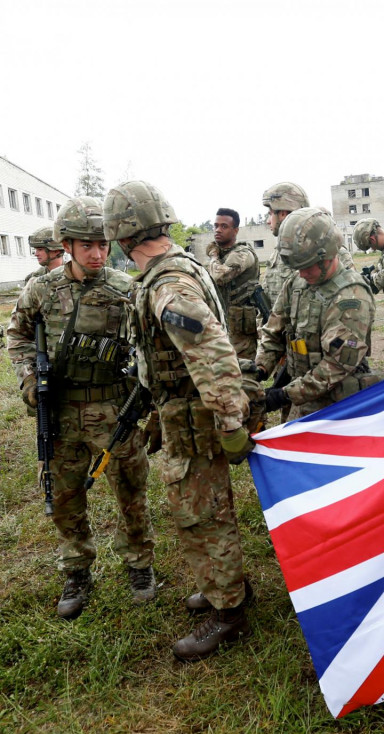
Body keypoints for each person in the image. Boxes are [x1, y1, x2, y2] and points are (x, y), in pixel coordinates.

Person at [103, 180, 253, 660]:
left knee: (202, 515)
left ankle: (229, 611)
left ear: (123, 237)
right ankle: (222, 587)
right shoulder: (175, 269)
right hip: (180, 414)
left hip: (197, 420)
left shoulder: (168, 284)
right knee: (206, 510)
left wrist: (231, 424)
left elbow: (211, 353)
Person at [6, 196, 154, 620]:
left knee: (131, 491)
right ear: (66, 245)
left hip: (113, 408)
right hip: (61, 412)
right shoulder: (42, 289)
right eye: (86, 245)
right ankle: (77, 569)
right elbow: (16, 335)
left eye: (103, 244)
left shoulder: (127, 290)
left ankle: (140, 564)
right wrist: (30, 379)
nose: (97, 253)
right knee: (65, 497)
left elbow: (147, 347)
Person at [256, 208, 378, 420]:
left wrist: (284, 395)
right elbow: (273, 332)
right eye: (298, 267)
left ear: (328, 254)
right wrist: (260, 368)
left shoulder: (351, 296)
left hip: (339, 406)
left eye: (308, 266)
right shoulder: (296, 283)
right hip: (303, 400)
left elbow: (337, 365)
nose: (302, 273)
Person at [205, 207, 260, 359]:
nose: (218, 230)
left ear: (235, 230)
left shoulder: (242, 253)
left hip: (240, 329)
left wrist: (213, 255)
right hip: (221, 323)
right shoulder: (221, 254)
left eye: (224, 226)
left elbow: (219, 277)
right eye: (216, 226)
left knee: (244, 372)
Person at [261, 181, 310, 307]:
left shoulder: (324, 249)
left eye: (270, 214)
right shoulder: (277, 253)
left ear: (282, 213)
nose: (268, 221)